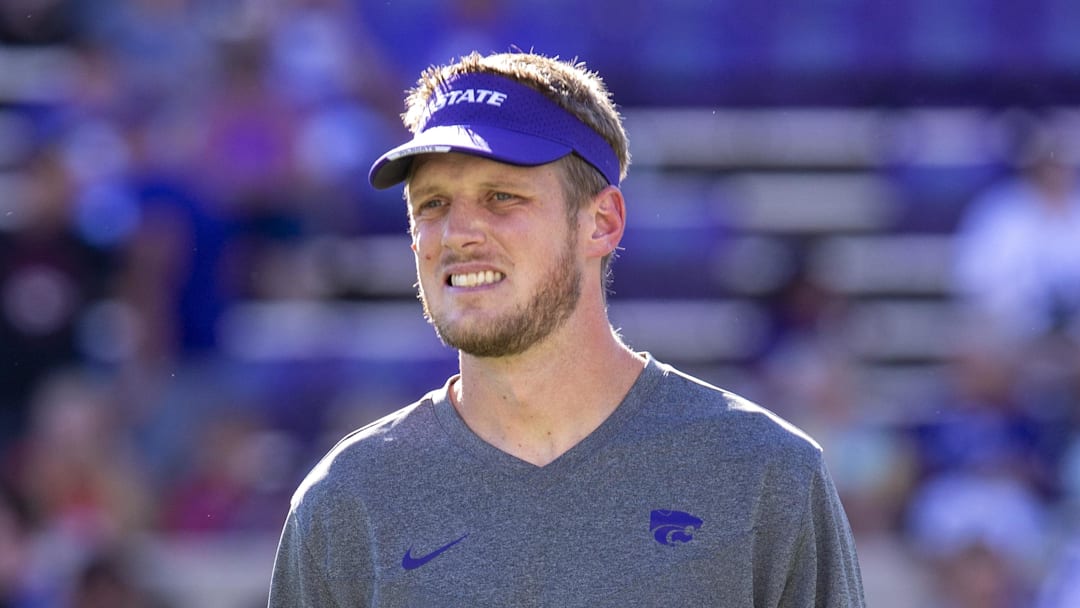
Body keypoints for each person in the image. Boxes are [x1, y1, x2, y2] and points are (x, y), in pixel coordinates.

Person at [268, 50, 865, 607]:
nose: (456, 234)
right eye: (432, 205)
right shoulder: (346, 502)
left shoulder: (764, 475)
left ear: (601, 222)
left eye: (501, 197)